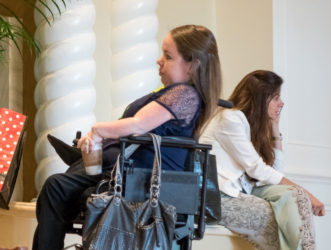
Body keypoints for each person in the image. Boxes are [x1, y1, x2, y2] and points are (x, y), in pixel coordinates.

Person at [32, 24, 222, 249]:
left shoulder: (185, 95)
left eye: (168, 56)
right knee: (59, 188)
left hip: (141, 179)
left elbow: (138, 124)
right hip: (127, 171)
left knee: (57, 187)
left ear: (192, 65)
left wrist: (98, 130)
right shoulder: (173, 94)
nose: (159, 60)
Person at [199, 70, 323, 250]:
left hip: (238, 194)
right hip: (218, 198)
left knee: (296, 196)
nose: (281, 103)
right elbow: (257, 169)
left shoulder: (247, 124)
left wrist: (274, 127)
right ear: (260, 98)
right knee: (277, 219)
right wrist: (309, 195)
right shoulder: (230, 118)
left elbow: (276, 177)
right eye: (275, 98)